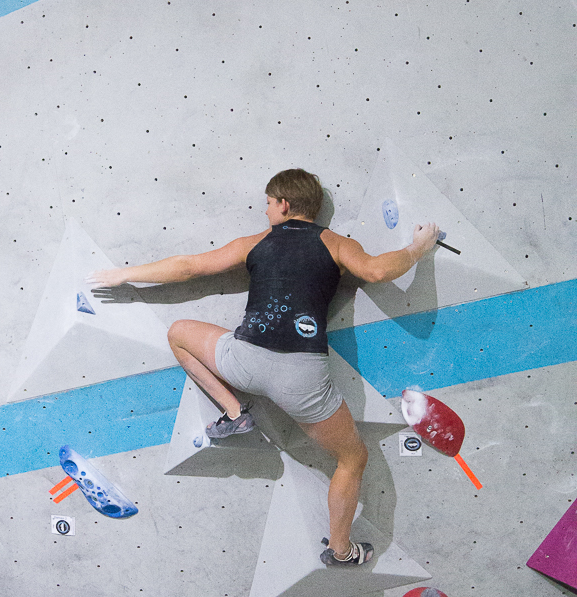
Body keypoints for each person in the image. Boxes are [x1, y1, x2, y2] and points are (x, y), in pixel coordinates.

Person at [91, 169, 438, 567]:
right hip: (301, 380)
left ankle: (235, 412)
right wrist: (416, 249)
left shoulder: (255, 243)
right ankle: (341, 550)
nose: (266, 210)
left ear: (284, 205)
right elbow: (377, 271)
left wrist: (124, 275)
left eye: (269, 203)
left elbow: (189, 266)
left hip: (245, 361)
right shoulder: (337, 244)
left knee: (179, 333)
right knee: (351, 459)